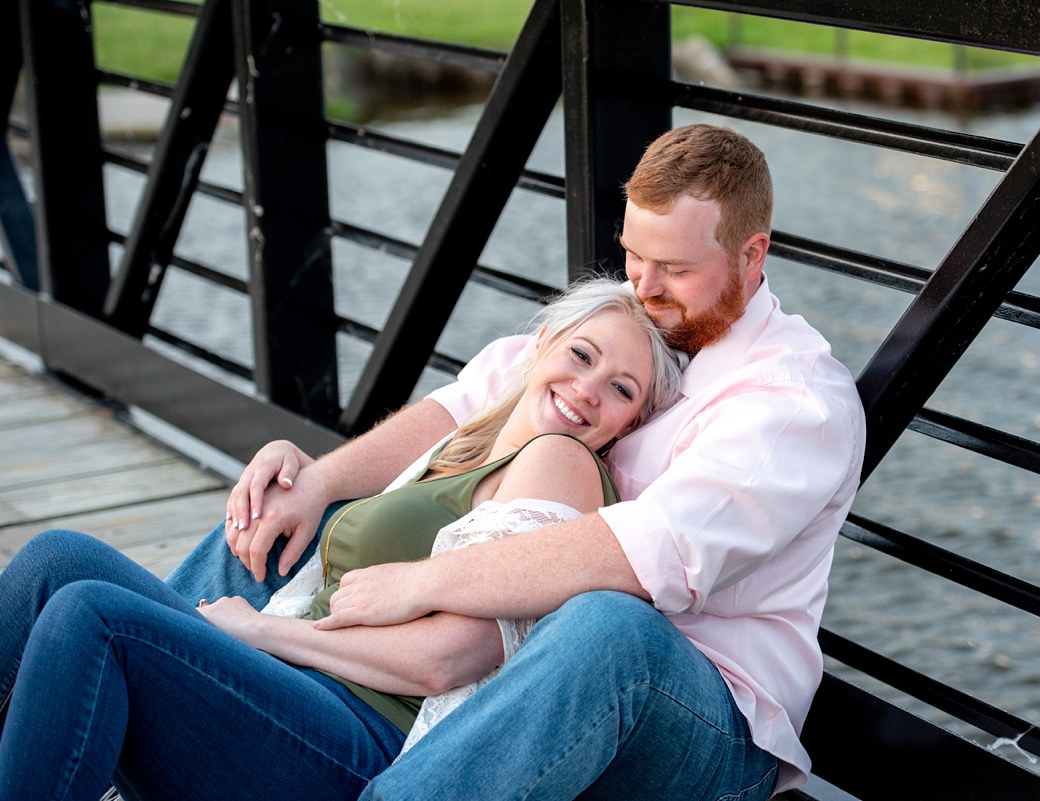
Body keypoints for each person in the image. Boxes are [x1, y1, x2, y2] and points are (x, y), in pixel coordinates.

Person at [170, 123, 867, 800]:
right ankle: (159, 671)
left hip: (697, 717)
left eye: (677, 269)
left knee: (607, 629)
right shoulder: (638, 318)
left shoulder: (792, 402)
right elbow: (471, 402)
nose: (644, 288)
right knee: (284, 507)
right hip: (521, 668)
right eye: (633, 255)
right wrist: (316, 478)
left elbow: (651, 555)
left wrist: (424, 581)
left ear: (752, 256)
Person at [0, 279, 684, 801]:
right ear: (539, 347)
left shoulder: (560, 463)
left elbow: (449, 659)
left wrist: (265, 634)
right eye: (581, 354)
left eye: (621, 388)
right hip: (295, 692)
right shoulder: (468, 446)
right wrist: (300, 464)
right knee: (56, 560)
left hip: (359, 739)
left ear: (629, 424)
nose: (588, 389)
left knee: (90, 616)